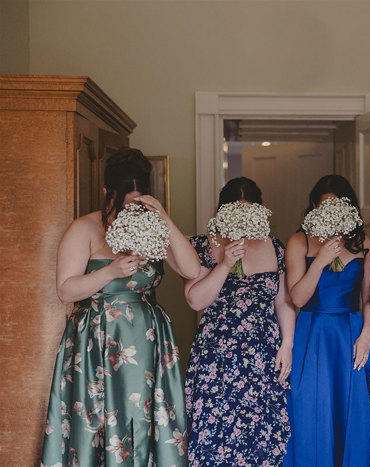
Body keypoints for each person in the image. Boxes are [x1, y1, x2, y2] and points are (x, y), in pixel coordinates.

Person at [41, 147, 200, 466]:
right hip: (97, 342)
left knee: (143, 423)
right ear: (106, 193)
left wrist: (163, 218)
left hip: (147, 340)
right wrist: (110, 271)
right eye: (126, 203)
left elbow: (192, 270)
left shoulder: (153, 227)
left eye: (139, 202)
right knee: (98, 420)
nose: (131, 210)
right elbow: (65, 290)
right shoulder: (84, 228)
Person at [184, 177, 296, 466]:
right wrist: (224, 263)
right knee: (216, 433)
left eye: (249, 212)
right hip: (217, 354)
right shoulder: (204, 244)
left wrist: (287, 346)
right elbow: (195, 301)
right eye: (236, 212)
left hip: (263, 353)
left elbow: (282, 302)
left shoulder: (276, 247)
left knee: (262, 436)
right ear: (223, 213)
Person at [283, 175, 370, 466]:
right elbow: (297, 298)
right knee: (312, 409)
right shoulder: (300, 240)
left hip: (350, 333)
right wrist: (321, 259)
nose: (330, 212)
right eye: (324, 206)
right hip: (313, 332)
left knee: (352, 411)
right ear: (313, 207)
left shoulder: (363, 242)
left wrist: (366, 335)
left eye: (337, 206)